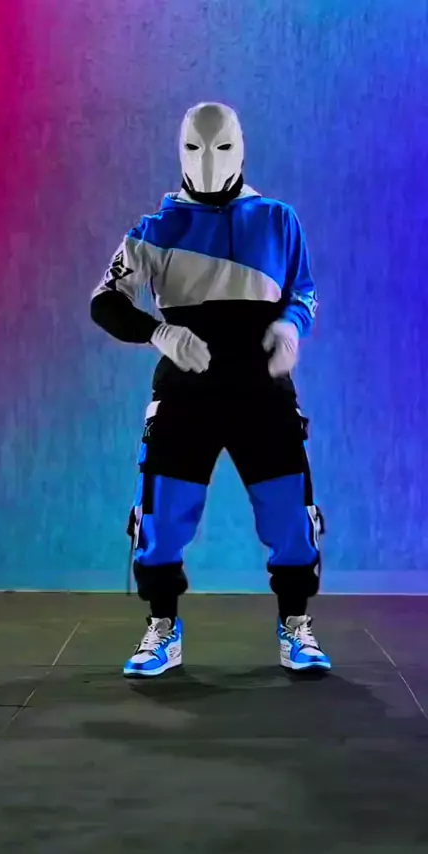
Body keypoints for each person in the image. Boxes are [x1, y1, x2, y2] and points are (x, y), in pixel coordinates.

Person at [90, 102, 331, 677]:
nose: (207, 159)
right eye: (195, 147)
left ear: (240, 147)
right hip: (186, 388)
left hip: (262, 387)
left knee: (290, 512)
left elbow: (304, 290)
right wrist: (158, 332)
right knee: (161, 514)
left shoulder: (278, 219)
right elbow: (105, 301)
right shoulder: (155, 229)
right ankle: (162, 626)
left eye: (220, 146)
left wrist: (290, 327)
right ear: (179, 150)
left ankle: (296, 624)